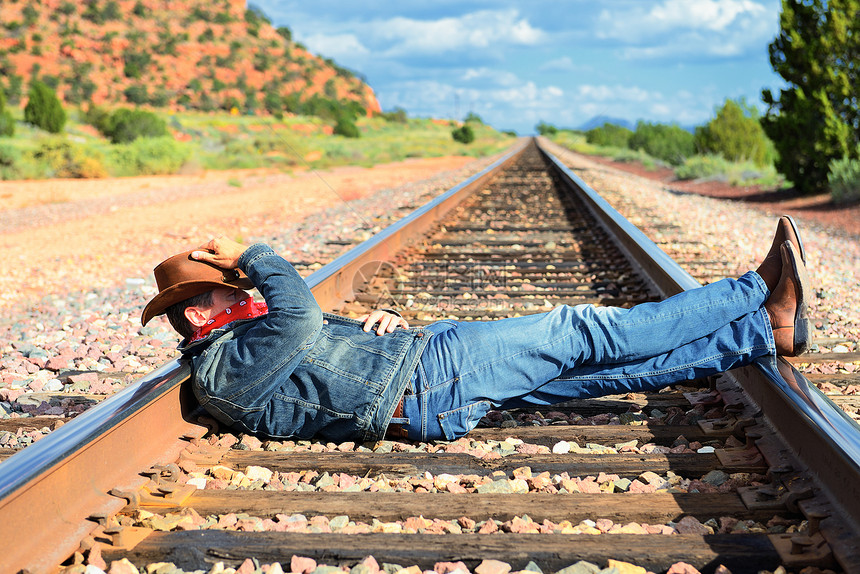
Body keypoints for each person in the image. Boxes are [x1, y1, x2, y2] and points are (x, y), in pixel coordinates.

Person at [141, 216, 811, 443]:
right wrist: (254, 256)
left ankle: (759, 336)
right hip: (431, 377)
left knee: (593, 372)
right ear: (200, 312)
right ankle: (755, 290)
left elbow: (316, 342)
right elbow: (300, 315)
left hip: (422, 377)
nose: (243, 292)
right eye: (228, 291)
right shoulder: (225, 367)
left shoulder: (240, 350)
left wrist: (378, 329)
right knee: (577, 329)